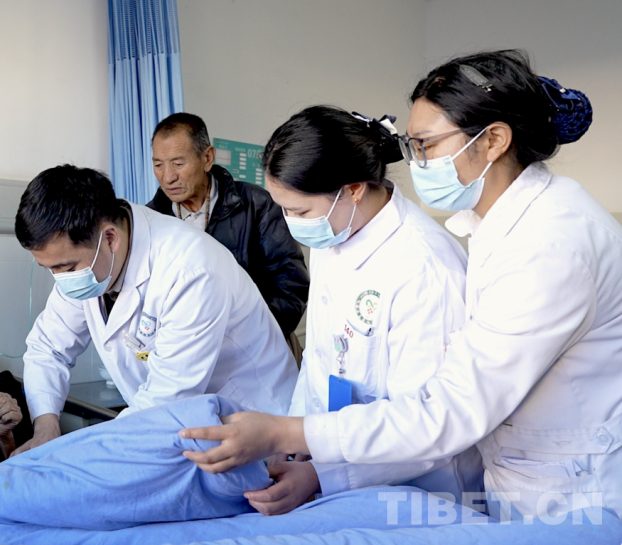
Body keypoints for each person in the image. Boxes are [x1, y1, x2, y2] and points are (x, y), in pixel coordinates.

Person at [180, 50, 622, 522]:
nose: (415, 163)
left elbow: (446, 413)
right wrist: (301, 447)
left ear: (493, 140)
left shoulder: (544, 246)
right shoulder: (490, 227)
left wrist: (288, 435)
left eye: (425, 145)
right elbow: (323, 361)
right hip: (506, 472)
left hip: (562, 488)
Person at [215, 105, 481, 516]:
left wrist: (322, 474)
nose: (290, 223)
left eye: (300, 212)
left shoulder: (424, 267)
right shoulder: (336, 234)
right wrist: (293, 445)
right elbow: (320, 361)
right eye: (283, 208)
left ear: (353, 189)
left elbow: (427, 424)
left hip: (420, 492)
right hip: (336, 468)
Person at [14, 164, 297, 454]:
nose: (62, 279)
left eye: (67, 268)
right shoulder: (90, 262)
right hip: (185, 425)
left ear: (110, 238)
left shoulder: (190, 269)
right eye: (50, 269)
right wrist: (45, 429)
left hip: (257, 423)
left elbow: (168, 396)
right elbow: (48, 348)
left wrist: (72, 455)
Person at [147, 113, 310, 347]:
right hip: (186, 350)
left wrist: (246, 337)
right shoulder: (151, 220)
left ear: (207, 158)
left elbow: (291, 282)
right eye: (158, 165)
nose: (168, 177)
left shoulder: (256, 204)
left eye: (178, 164)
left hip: (259, 347)